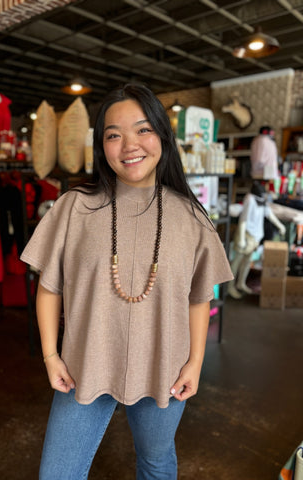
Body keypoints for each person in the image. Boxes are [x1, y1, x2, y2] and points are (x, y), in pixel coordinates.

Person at [20, 83, 233, 479]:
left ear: (162, 137)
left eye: (143, 129)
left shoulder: (191, 218)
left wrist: (196, 362)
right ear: (101, 147)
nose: (128, 145)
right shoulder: (74, 208)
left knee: (155, 462)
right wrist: (51, 356)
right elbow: (50, 287)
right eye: (113, 135)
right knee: (57, 473)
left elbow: (199, 296)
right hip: (83, 366)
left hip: (164, 369)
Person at [228, 182, 286, 299]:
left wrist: (280, 225)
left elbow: (269, 215)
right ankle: (230, 287)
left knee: (247, 261)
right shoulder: (250, 199)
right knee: (236, 262)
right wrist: (241, 238)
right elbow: (243, 220)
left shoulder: (262, 200)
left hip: (256, 236)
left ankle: (241, 283)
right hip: (246, 235)